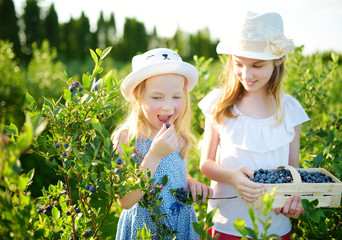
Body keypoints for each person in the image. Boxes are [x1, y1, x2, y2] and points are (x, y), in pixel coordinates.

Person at [198, 11, 310, 239]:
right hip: (227, 224)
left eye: (257, 66)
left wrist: (294, 200)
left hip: (274, 227)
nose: (246, 74)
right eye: (239, 64)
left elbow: (292, 173)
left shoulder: (290, 111)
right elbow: (206, 164)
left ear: (279, 60)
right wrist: (231, 177)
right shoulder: (221, 105)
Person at [112, 48, 213, 240]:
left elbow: (175, 173)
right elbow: (125, 199)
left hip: (179, 227)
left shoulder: (178, 136)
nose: (168, 106)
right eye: (157, 97)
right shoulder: (127, 139)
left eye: (176, 97)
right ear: (137, 96)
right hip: (145, 230)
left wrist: (190, 182)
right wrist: (154, 155)